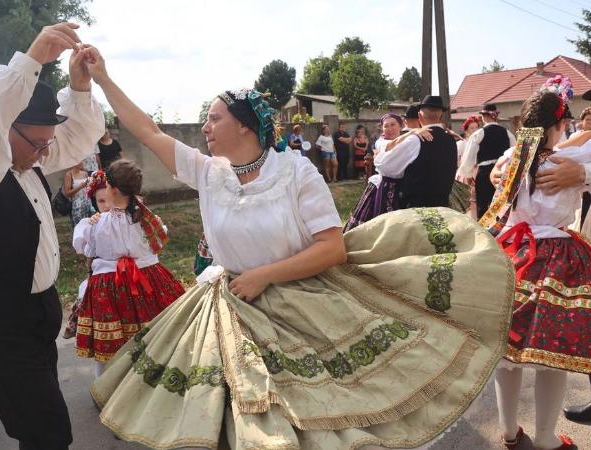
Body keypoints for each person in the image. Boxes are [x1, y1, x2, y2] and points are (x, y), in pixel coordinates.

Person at [84, 47, 514, 450]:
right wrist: (102, 78)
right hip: (226, 302)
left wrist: (264, 275)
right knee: (230, 420)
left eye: (214, 118)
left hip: (298, 302)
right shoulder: (206, 171)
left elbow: (332, 250)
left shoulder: (294, 171)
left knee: (313, 420)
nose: (205, 127)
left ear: (245, 125)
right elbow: (147, 129)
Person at [0, 23, 106, 449]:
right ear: (4, 125)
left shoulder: (27, 159)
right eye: (38, 143)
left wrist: (79, 86)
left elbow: (73, 137)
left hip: (34, 316)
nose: (46, 152)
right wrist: (29, 62)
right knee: (49, 434)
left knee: (39, 431)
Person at [482, 78, 591, 450]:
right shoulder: (575, 158)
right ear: (560, 125)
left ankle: (509, 434)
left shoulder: (511, 160)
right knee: (552, 354)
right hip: (557, 258)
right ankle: (545, 439)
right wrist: (580, 139)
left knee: (507, 355)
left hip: (512, 254)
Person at [72, 160, 185, 377]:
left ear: (112, 190)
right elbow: (159, 240)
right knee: (154, 334)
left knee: (112, 343)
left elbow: (84, 246)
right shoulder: (148, 220)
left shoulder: (95, 225)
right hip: (150, 281)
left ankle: (107, 387)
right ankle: (155, 380)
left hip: (109, 287)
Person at [63, 170, 110, 340]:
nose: (106, 205)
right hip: (100, 280)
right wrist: (91, 228)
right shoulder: (90, 224)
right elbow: (82, 247)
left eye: (109, 200)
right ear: (94, 202)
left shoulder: (126, 220)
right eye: (101, 201)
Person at [343, 113, 402, 232]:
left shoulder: (407, 138)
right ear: (382, 129)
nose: (390, 129)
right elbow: (390, 146)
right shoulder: (381, 141)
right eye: (386, 126)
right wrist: (414, 133)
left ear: (400, 126)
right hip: (385, 186)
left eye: (393, 125)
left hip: (403, 185)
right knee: (380, 221)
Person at [457, 104, 516, 218]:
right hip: (501, 173)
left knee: (483, 206)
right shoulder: (508, 134)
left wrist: (468, 175)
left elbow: (469, 156)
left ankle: (484, 232)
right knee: (501, 205)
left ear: (484, 116)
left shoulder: (479, 134)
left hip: (484, 173)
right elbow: (514, 154)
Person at [63, 160, 94, 226]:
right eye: (80, 161)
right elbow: (67, 193)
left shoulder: (85, 173)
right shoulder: (69, 174)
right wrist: (80, 186)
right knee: (79, 227)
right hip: (77, 206)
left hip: (88, 203)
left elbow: (88, 188)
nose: (82, 163)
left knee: (90, 226)